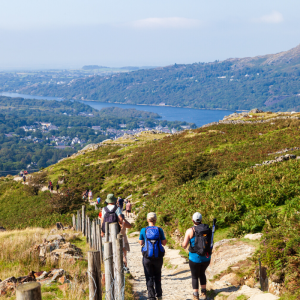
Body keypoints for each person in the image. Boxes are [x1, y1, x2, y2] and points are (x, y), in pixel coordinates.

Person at [182, 212, 212, 300]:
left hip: (194, 258)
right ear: (201, 220)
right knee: (202, 273)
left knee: (194, 276)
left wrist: (182, 245)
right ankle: (204, 293)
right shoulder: (207, 229)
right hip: (206, 258)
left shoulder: (190, 230)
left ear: (193, 220)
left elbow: (184, 245)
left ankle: (196, 295)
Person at [139, 212, 167, 300]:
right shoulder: (159, 230)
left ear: (147, 220)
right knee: (157, 275)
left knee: (149, 276)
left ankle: (151, 297)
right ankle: (159, 296)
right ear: (156, 220)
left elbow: (141, 243)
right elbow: (164, 243)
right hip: (158, 257)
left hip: (147, 257)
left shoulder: (144, 230)